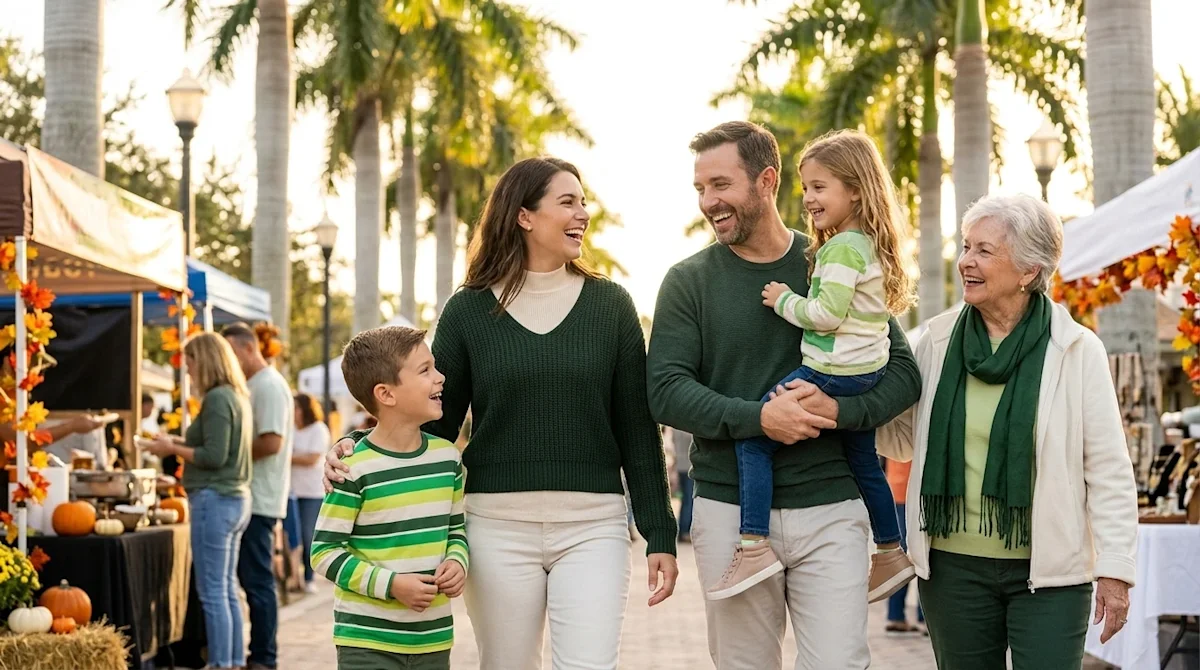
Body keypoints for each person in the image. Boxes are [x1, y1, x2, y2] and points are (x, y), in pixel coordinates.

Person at [326, 157, 678, 669]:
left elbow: (637, 430)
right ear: (524, 215)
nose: (583, 212)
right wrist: (354, 449)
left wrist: (659, 534)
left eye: (583, 201)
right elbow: (429, 422)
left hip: (593, 526)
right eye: (568, 202)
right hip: (494, 528)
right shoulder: (468, 310)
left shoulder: (612, 306)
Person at [647, 121, 921, 669]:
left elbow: (902, 372)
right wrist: (759, 418)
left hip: (833, 508)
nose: (708, 202)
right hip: (729, 512)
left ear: (767, 181)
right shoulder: (688, 280)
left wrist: (842, 411)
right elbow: (666, 392)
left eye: (720, 185)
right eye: (700, 189)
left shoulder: (832, 260)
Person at [876, 194, 1138, 669]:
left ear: (1028, 271)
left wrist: (1116, 571)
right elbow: (900, 439)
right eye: (966, 246)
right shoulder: (934, 341)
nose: (966, 262)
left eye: (984, 251)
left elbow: (1108, 469)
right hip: (952, 568)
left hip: (1052, 574)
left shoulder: (1077, 350)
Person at [709, 129, 917, 602]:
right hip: (864, 373)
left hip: (832, 372)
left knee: (756, 437)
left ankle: (753, 545)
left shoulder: (842, 247)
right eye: (806, 188)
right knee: (865, 464)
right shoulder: (863, 245)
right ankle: (889, 551)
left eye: (820, 188)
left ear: (856, 190)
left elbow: (825, 314)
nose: (808, 200)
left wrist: (784, 300)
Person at [311, 326, 467, 670]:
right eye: (425, 370)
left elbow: (456, 530)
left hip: (433, 638)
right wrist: (391, 585)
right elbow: (324, 552)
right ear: (386, 393)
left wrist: (458, 562)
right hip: (366, 641)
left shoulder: (447, 460)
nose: (441, 378)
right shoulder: (352, 468)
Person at [142, 333, 252, 670]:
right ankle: (230, 661)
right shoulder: (235, 396)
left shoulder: (218, 398)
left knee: (213, 592)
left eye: (189, 361)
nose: (187, 369)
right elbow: (215, 446)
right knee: (226, 589)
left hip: (215, 499)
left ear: (203, 360)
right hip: (233, 499)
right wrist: (173, 441)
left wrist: (172, 449)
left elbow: (214, 455)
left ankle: (220, 663)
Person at [222, 322, 294, 670]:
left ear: (248, 348)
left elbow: (272, 441)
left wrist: (227, 452)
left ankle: (264, 658)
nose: (229, 362)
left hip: (260, 499)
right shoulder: (254, 384)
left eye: (231, 353)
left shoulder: (268, 386)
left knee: (257, 583)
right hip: (250, 496)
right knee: (251, 582)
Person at [290, 392, 330, 592]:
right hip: (291, 490)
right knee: (292, 537)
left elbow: (312, 458)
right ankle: (293, 577)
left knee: (308, 536)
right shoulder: (290, 429)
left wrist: (287, 457)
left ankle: (309, 577)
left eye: (296, 407)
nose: (293, 412)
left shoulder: (318, 430)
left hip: (312, 492)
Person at [883, 458, 924, 634]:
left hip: (896, 486)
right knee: (924, 552)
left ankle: (895, 614)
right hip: (915, 489)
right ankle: (924, 618)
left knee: (900, 553)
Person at [668, 426, 695, 542]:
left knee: (685, 500)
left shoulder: (675, 428)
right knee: (689, 500)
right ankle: (685, 530)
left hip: (680, 466)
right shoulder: (688, 429)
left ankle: (682, 529)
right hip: (689, 466)